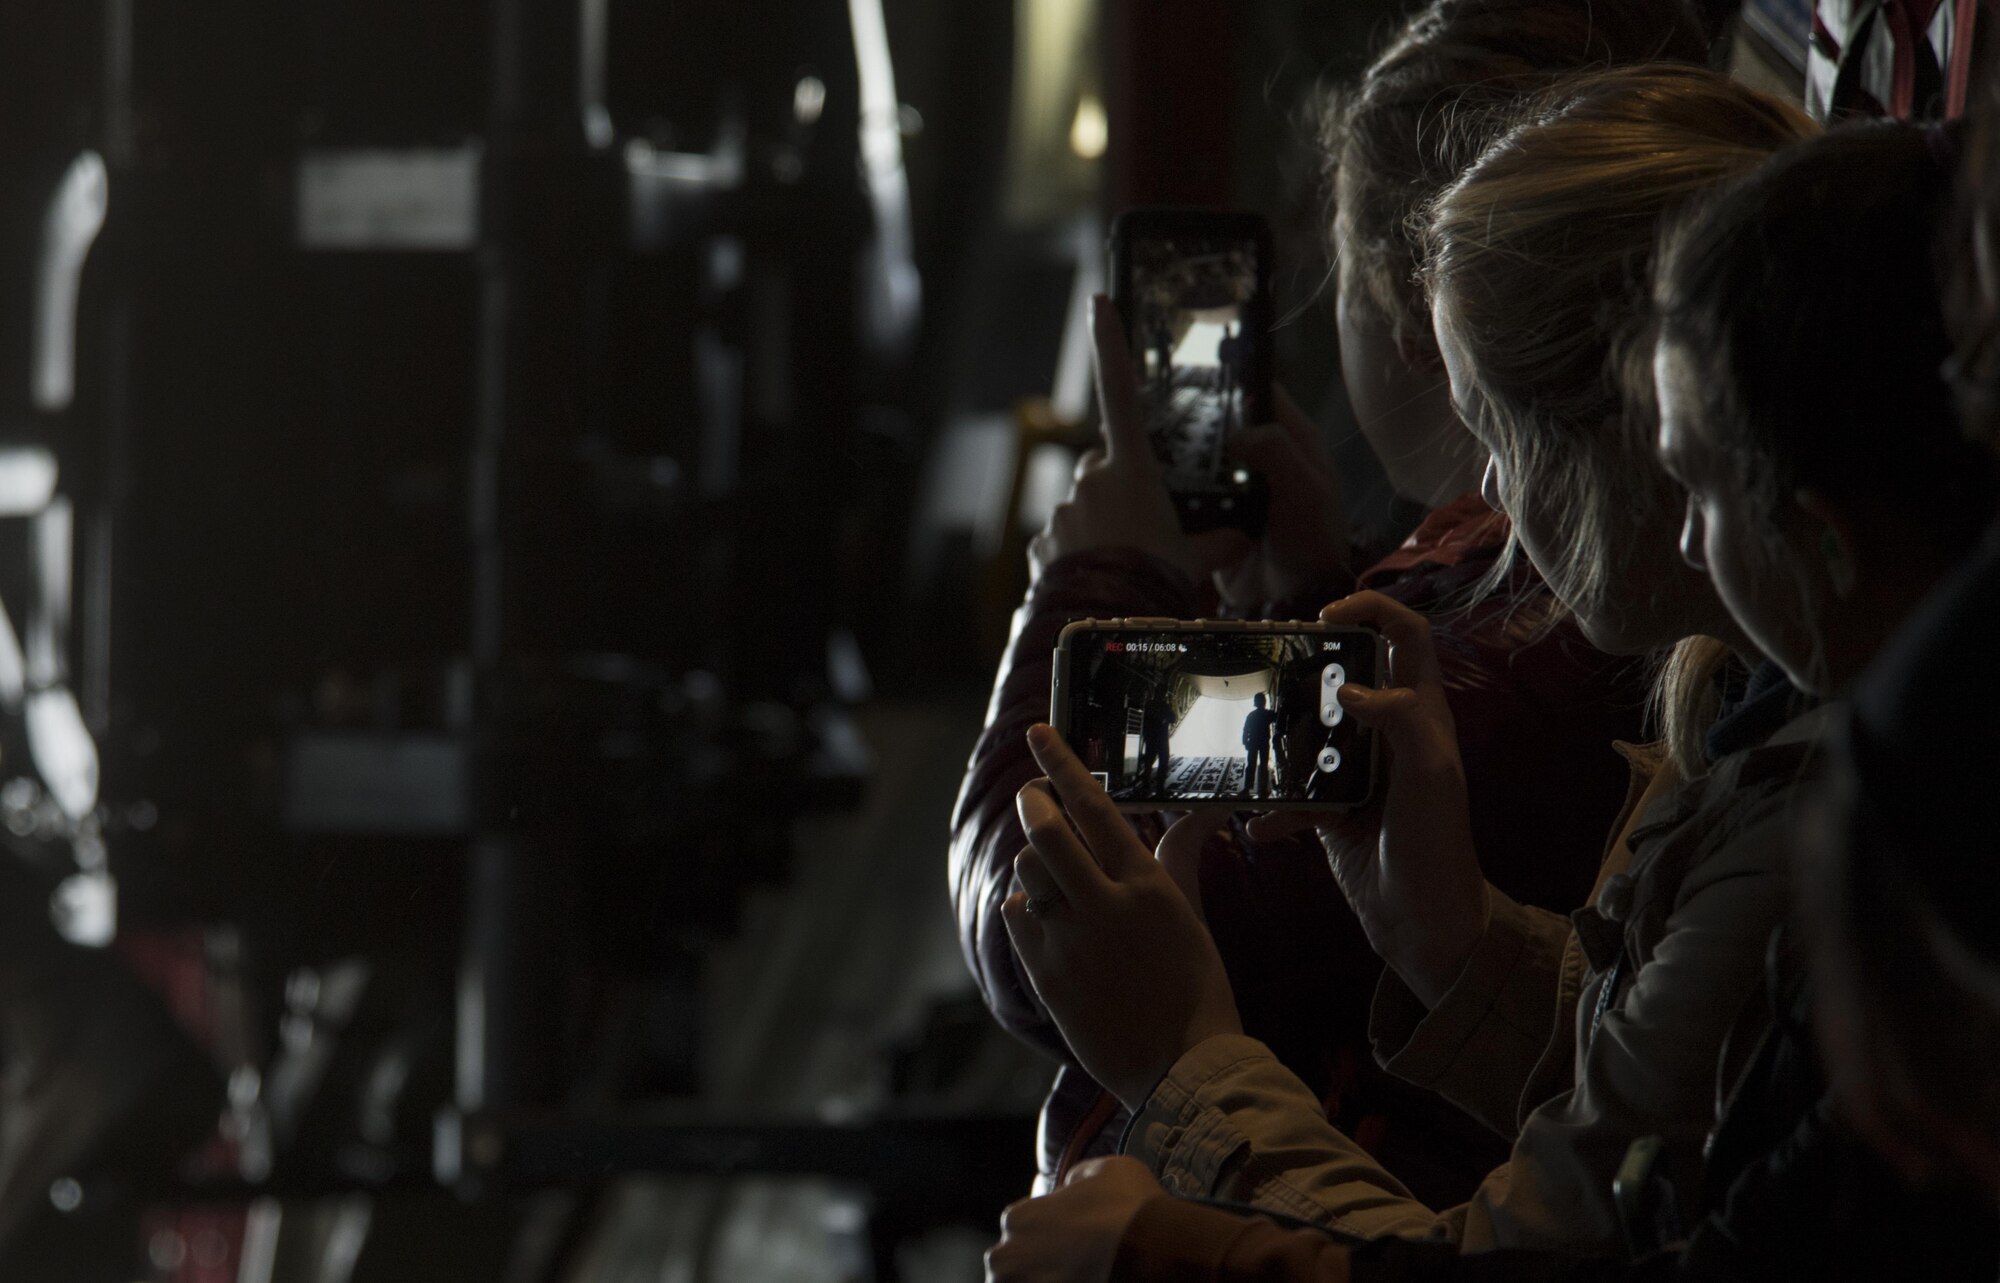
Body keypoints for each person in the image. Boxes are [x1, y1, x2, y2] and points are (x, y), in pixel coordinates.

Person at [987, 112, 2000, 1282]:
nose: (1493, 508)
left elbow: (1530, 1256)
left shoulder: (1806, 810)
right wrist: (1449, 933)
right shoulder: (1769, 711)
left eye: (1498, 441)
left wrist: (1182, 1063)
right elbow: (1666, 1102)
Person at [950, 0, 1700, 1201]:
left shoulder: (1504, 658)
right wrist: (1314, 584)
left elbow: (1031, 927)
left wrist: (1093, 575)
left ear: (1418, 306)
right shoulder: (1520, 593)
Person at [1240, 692, 1277, 797]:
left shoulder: (1251, 715)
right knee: (1263, 766)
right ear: (1264, 702)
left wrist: (1245, 742)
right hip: (1264, 742)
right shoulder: (1268, 714)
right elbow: (1277, 718)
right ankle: (1263, 790)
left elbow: (1245, 730)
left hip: (1253, 743)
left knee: (1251, 766)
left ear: (1255, 703)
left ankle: (1247, 789)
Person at [1138, 686, 1174, 794]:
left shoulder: (1149, 705)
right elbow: (1173, 718)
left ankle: (1145, 786)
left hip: (1151, 738)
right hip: (1161, 738)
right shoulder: (1165, 706)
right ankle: (1160, 787)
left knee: (1149, 762)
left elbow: (1145, 721)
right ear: (1163, 694)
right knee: (1163, 761)